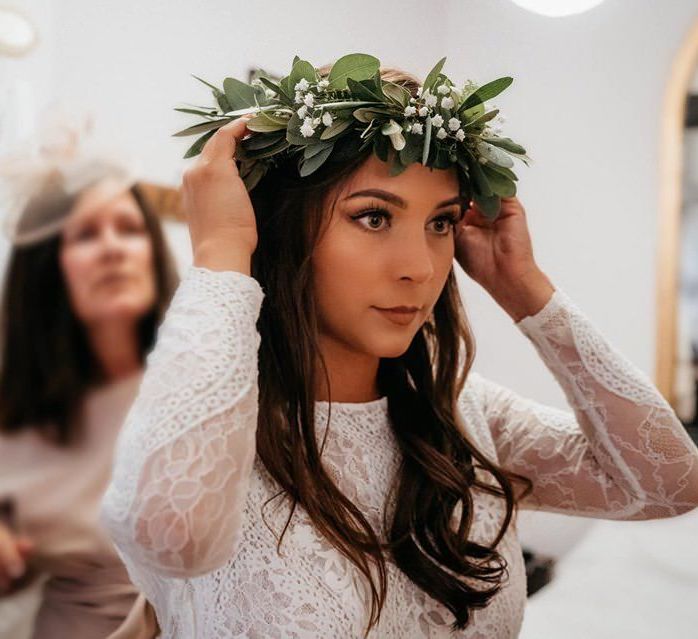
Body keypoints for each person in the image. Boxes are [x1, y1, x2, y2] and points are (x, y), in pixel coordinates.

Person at [101, 62, 698, 638]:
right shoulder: (198, 430)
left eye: (439, 223)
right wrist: (224, 252)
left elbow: (669, 483)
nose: (420, 268)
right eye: (374, 217)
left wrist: (526, 292)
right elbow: (175, 537)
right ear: (282, 227)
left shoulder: (462, 414)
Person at [0, 152, 178, 638]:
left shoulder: (203, 382)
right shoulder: (17, 412)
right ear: (48, 266)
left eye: (129, 228)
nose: (113, 249)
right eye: (85, 235)